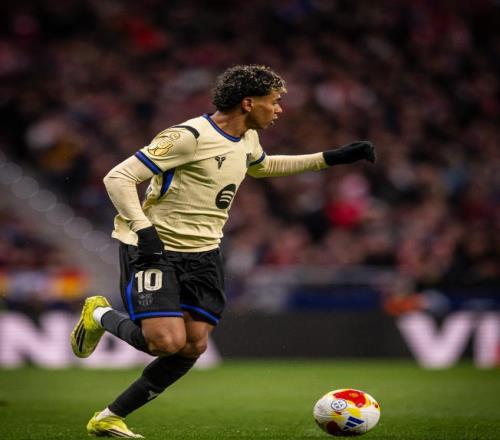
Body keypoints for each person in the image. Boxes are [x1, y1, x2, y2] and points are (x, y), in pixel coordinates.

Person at [70, 64, 376, 438]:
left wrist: (332, 157)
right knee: (164, 342)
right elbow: (119, 177)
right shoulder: (188, 136)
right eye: (273, 102)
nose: (279, 109)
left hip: (204, 254)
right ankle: (99, 314)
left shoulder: (247, 138)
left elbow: (262, 166)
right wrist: (144, 230)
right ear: (248, 103)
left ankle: (109, 417)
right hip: (155, 249)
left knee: (192, 346)